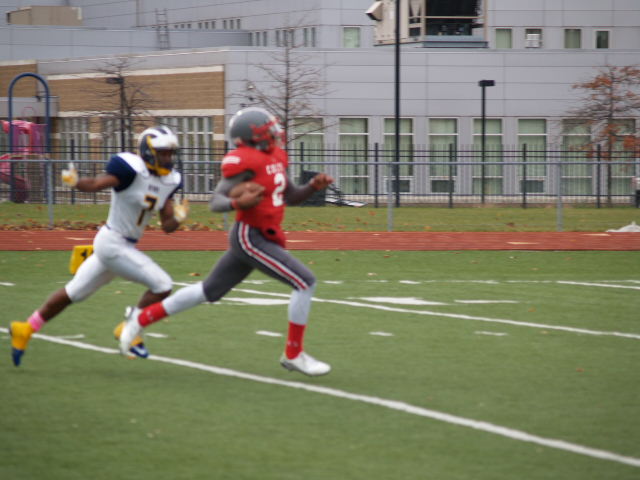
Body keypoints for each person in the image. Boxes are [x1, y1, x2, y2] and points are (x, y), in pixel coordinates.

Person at [119, 107, 334, 376]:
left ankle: (140, 318)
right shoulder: (244, 161)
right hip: (250, 236)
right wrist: (239, 203)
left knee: (208, 291)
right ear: (251, 137)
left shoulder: (275, 157)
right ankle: (294, 354)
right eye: (267, 130)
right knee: (305, 282)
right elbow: (216, 201)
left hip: (262, 234)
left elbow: (291, 197)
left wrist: (313, 187)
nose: (274, 134)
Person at [9, 126, 189, 366]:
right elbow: (96, 184)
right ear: (148, 152)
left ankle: (26, 328)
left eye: (170, 153)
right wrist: (76, 182)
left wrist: (178, 217)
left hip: (118, 247)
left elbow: (167, 226)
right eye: (163, 153)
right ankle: (130, 326)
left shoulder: (169, 180)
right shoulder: (131, 170)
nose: (167, 158)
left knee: (73, 293)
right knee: (163, 284)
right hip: (113, 243)